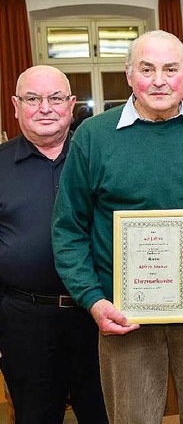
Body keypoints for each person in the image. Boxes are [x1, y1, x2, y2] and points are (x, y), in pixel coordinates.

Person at [51, 30, 183, 424]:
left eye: (170, 69)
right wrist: (93, 299)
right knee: (132, 417)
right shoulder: (93, 138)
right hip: (123, 315)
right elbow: (69, 228)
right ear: (129, 74)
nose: (159, 80)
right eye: (147, 69)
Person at [0, 65, 108, 423]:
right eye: (32, 98)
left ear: (71, 104)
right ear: (16, 105)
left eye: (55, 98)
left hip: (97, 318)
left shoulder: (100, 157)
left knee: (105, 414)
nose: (45, 107)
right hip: (24, 321)